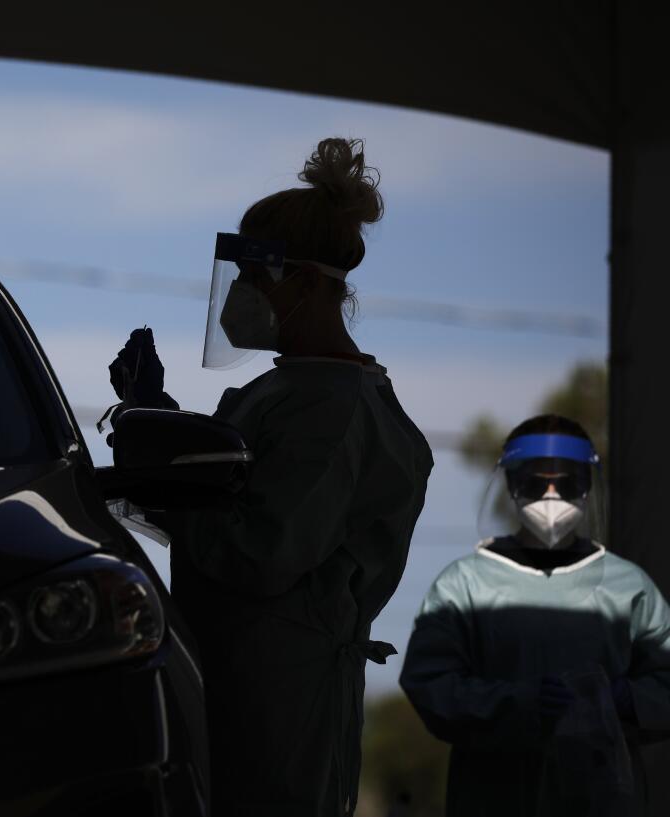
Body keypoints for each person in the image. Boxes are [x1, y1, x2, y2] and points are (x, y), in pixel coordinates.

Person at [109, 138, 433, 816]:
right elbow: (230, 486)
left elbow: (260, 550)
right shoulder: (289, 391)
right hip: (235, 680)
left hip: (282, 700)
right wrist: (157, 423)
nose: (244, 295)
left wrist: (159, 477)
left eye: (258, 278)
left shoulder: (336, 408)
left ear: (309, 284)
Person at [400, 415, 670, 817]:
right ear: (511, 484)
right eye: (534, 481)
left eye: (567, 482)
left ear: (588, 485)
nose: (550, 495)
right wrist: (521, 704)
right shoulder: (466, 584)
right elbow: (430, 684)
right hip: (495, 795)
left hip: (604, 799)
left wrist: (627, 700)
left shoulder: (627, 586)